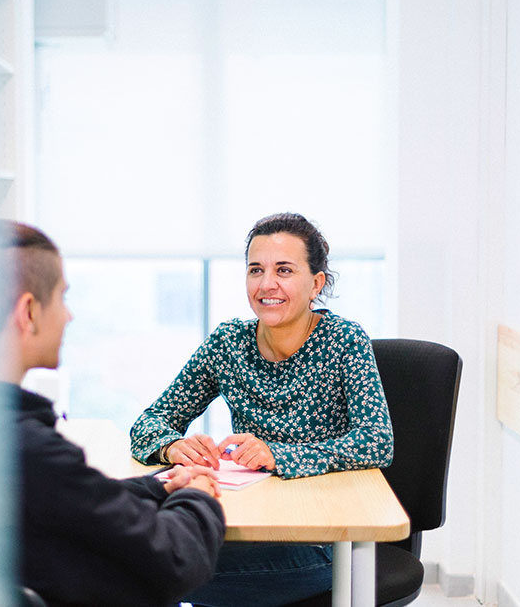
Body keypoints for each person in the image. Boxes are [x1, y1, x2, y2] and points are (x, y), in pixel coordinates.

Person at [129, 212, 393, 607]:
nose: (267, 284)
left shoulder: (344, 341)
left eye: (284, 270)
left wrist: (279, 454)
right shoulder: (228, 344)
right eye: (256, 270)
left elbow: (377, 442)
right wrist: (172, 447)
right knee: (146, 558)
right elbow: (150, 421)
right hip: (246, 524)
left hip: (324, 539)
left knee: (149, 567)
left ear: (315, 283)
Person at [0, 220, 226, 607]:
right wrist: (198, 497)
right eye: (62, 298)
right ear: (28, 312)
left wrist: (159, 486)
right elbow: (177, 560)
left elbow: (72, 499)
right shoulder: (32, 448)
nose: (69, 316)